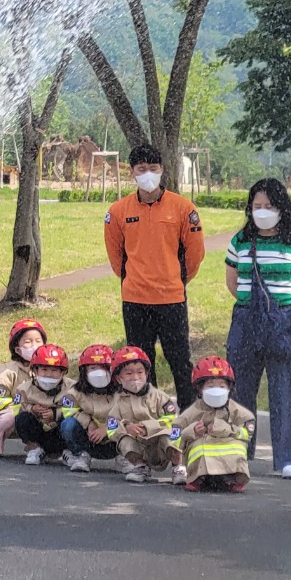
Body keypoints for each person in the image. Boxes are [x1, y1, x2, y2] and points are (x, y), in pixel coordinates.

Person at [224, 177, 291, 479]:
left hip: (285, 324)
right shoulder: (239, 241)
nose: (262, 211)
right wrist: (253, 307)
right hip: (245, 322)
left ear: (282, 208)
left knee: (286, 389)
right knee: (239, 388)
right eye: (257, 206)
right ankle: (239, 449)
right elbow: (232, 281)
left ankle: (289, 457)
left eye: (269, 206)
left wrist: (280, 309)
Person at [104, 143, 205, 409]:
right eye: (141, 169)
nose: (148, 174)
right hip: (135, 299)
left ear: (162, 170)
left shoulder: (183, 208)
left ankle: (188, 416)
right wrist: (132, 279)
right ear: (132, 173)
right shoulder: (118, 211)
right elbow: (116, 256)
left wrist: (177, 279)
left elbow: (195, 253)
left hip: (171, 298)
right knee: (139, 364)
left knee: (179, 360)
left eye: (153, 168)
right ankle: (149, 416)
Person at [174, 356, 254, 493]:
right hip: (202, 444)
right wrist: (191, 431)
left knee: (237, 448)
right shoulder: (193, 410)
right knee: (198, 448)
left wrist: (227, 430)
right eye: (210, 386)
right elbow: (174, 433)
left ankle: (233, 477)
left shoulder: (237, 411)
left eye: (222, 386)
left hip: (227, 440)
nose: (216, 390)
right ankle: (197, 477)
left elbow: (248, 432)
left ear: (229, 388)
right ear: (200, 388)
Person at [109, 346, 186, 485]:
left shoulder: (159, 396)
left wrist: (148, 427)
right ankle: (140, 467)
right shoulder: (118, 402)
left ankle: (178, 467)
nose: (135, 377)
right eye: (129, 374)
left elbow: (172, 418)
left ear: (147, 373)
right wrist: (126, 428)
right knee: (124, 441)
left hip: (160, 445)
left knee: (173, 434)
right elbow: (111, 427)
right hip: (139, 446)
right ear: (119, 378)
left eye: (140, 372)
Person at [0, 317, 46, 459]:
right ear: (18, 349)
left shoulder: (49, 371)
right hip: (15, 416)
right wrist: (25, 409)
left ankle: (49, 448)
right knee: (8, 418)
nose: (34, 345)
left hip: (42, 415)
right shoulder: (9, 375)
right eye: (28, 342)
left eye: (38, 341)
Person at [59, 344, 122, 474]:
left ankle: (127, 457)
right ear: (84, 371)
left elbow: (130, 414)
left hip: (115, 442)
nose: (98, 373)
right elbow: (68, 410)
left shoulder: (123, 392)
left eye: (103, 368)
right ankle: (80, 455)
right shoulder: (75, 392)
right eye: (93, 368)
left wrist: (108, 428)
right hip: (89, 439)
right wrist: (88, 423)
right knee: (67, 424)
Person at [12, 343, 72, 466]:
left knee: (72, 422)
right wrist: (31, 409)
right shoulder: (23, 389)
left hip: (59, 433)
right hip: (39, 432)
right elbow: (16, 408)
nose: (49, 374)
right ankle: (35, 449)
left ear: (63, 372)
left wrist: (55, 413)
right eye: (44, 370)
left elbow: (79, 409)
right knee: (22, 418)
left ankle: (70, 452)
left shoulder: (72, 388)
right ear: (35, 370)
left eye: (54, 370)